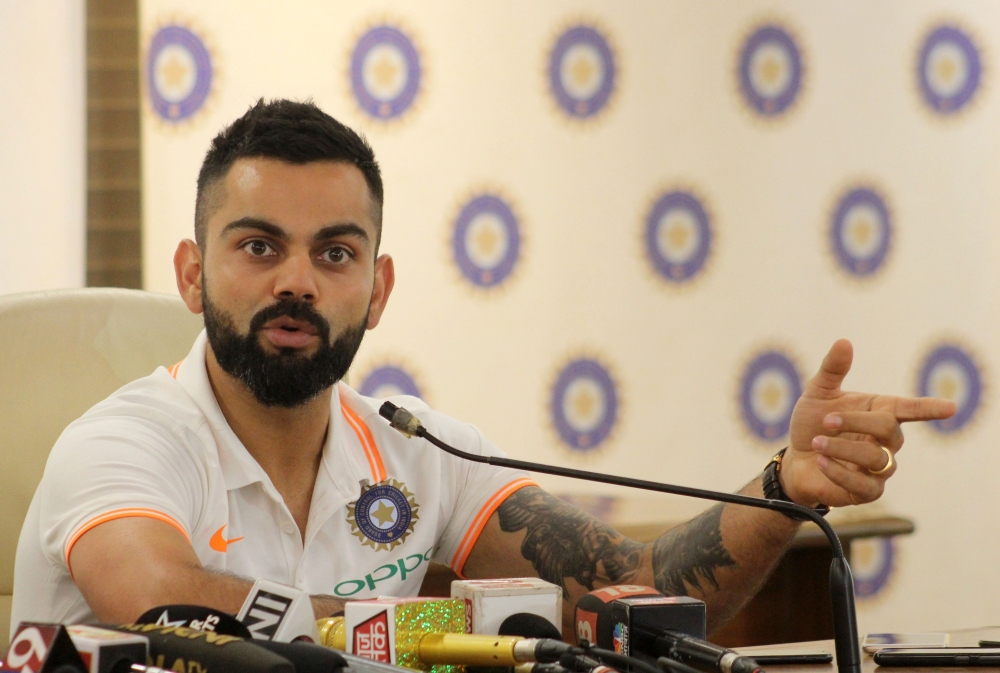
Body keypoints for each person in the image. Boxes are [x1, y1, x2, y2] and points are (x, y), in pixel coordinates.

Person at [11, 100, 955, 638]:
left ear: (377, 289)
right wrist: (439, 637)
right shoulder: (125, 441)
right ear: (191, 273)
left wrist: (786, 483)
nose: (297, 281)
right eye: (259, 246)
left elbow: (636, 585)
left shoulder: (418, 449)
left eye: (335, 254)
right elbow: (161, 597)